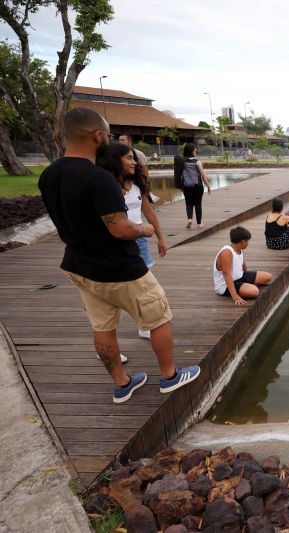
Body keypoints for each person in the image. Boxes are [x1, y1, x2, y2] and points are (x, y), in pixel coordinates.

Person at [38, 108, 200, 404]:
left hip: (78, 265)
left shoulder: (49, 175)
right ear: (97, 136)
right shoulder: (97, 178)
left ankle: (122, 384)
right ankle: (170, 376)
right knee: (158, 315)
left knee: (102, 327)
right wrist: (147, 229)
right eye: (107, 134)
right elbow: (119, 228)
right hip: (119, 268)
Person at [97, 141, 167, 340]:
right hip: (115, 240)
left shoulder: (137, 184)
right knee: (113, 288)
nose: (134, 162)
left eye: (134, 158)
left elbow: (148, 211)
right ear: (114, 160)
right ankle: (109, 335)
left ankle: (145, 324)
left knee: (144, 284)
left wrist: (161, 237)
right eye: (129, 158)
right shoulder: (106, 186)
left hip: (139, 238)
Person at [213, 226, 273, 306]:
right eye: (248, 241)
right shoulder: (227, 252)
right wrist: (235, 296)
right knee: (254, 292)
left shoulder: (239, 248)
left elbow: (243, 264)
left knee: (268, 277)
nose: (248, 243)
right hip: (226, 284)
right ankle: (246, 289)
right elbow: (226, 274)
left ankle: (247, 287)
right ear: (242, 242)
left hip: (240, 277)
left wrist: (249, 278)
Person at [181, 143, 211, 229]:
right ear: (191, 151)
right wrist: (208, 186)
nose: (196, 151)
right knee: (198, 204)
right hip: (197, 186)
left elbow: (179, 175)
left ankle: (190, 219)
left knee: (189, 204)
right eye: (195, 150)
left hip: (186, 186)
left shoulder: (182, 162)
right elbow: (203, 175)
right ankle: (199, 223)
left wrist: (180, 186)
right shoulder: (197, 162)